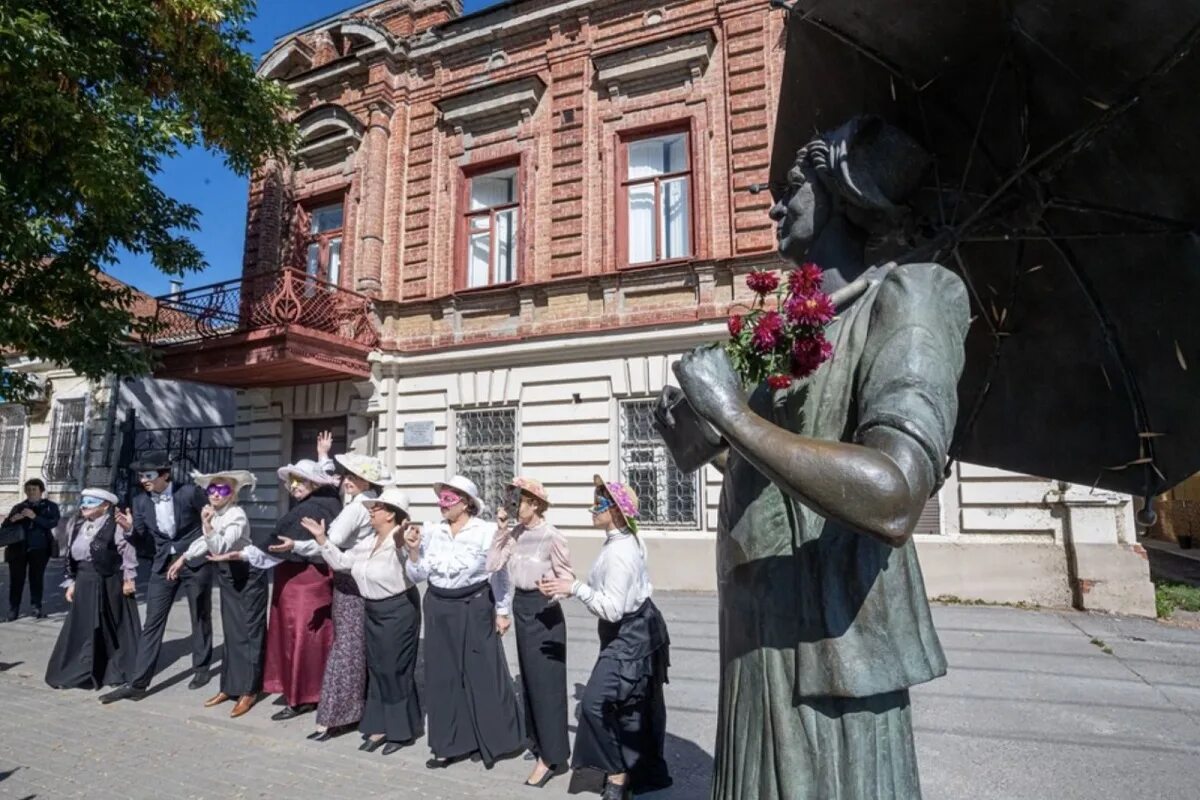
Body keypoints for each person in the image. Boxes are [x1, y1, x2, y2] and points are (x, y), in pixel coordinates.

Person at [662, 116, 969, 799]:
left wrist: (735, 418)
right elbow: (761, 471)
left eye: (794, 184)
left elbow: (894, 496)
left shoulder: (912, 298)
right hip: (757, 626)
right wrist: (695, 432)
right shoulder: (798, 327)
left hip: (830, 641)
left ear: (840, 187)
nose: (776, 203)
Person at [539, 477, 671, 800]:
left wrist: (575, 588)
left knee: (594, 705)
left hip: (629, 635)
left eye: (600, 502)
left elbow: (612, 609)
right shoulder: (620, 539)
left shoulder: (620, 552)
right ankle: (629, 770)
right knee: (629, 707)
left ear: (614, 510)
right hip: (630, 630)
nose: (593, 507)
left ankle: (618, 773)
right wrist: (572, 587)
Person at [403, 475, 523, 770]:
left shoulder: (485, 531)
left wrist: (503, 610)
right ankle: (449, 744)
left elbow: (499, 573)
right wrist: (414, 550)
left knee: (481, 672)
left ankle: (495, 741)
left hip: (475, 605)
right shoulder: (432, 532)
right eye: (440, 498)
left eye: (448, 499)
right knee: (442, 675)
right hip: (438, 605)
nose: (441, 504)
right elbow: (417, 576)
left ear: (466, 503)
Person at [309, 485, 421, 755]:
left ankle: (400, 731)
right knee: (378, 667)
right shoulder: (368, 542)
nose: (371, 512)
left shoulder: (402, 539)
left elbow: (413, 564)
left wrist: (408, 544)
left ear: (391, 515)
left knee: (395, 668)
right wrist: (323, 540)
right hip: (372, 609)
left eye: (377, 508)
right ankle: (379, 723)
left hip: (398, 610)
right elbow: (342, 563)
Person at [291, 434, 388, 742]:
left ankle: (336, 715)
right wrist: (323, 455)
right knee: (355, 646)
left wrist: (296, 544)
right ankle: (355, 709)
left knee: (346, 648)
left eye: (353, 476)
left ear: (365, 481)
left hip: (350, 580)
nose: (346, 480)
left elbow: (328, 540)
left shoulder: (358, 507)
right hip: (358, 578)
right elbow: (328, 484)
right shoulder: (363, 501)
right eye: (346, 475)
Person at [101, 453, 214, 703]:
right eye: (141, 476)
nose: (143, 480)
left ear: (165, 474)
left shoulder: (189, 493)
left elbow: (210, 524)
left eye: (148, 475)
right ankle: (138, 684)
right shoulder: (141, 502)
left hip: (194, 560)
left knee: (200, 614)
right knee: (152, 621)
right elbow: (142, 539)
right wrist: (129, 528)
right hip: (162, 564)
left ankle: (201, 668)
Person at [488, 476, 574, 787]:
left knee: (547, 684)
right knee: (530, 682)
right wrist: (501, 531)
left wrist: (555, 590)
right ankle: (538, 741)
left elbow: (567, 578)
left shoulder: (552, 536)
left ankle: (552, 757)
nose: (512, 506)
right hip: (523, 607)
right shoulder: (514, 533)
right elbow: (493, 564)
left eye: (518, 501)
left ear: (534, 503)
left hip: (545, 610)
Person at [240, 459, 342, 720]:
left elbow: (274, 545)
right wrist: (323, 456)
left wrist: (243, 553)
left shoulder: (310, 508)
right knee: (311, 635)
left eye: (301, 480)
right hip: (308, 578)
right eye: (292, 481)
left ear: (314, 483)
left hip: (303, 582)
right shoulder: (327, 501)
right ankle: (313, 689)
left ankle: (302, 695)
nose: (294, 485)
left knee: (300, 635)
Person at [167, 470, 263, 718]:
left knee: (247, 634)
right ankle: (229, 687)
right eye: (211, 490)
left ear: (232, 494)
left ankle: (249, 691)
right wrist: (184, 559)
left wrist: (207, 523)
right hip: (228, 575)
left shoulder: (236, 515)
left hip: (246, 575)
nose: (215, 494)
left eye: (222, 490)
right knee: (231, 633)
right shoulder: (217, 514)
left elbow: (221, 544)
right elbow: (204, 542)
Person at [45, 488, 140, 689]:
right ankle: (77, 671)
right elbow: (70, 556)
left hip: (109, 581)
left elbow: (127, 552)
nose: (84, 506)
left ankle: (115, 671)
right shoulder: (77, 524)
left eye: (91, 502)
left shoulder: (115, 524)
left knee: (110, 624)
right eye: (83, 501)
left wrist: (129, 579)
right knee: (82, 626)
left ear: (105, 505)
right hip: (84, 580)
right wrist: (71, 582)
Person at [4, 478, 61, 620]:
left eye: (34, 489)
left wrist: (35, 517)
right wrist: (12, 520)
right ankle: (13, 609)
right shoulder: (19, 507)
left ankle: (36, 607)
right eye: (28, 490)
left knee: (36, 579)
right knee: (16, 579)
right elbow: (5, 527)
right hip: (18, 549)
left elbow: (52, 523)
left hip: (40, 549)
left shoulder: (50, 506)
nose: (31, 492)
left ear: (41, 491)